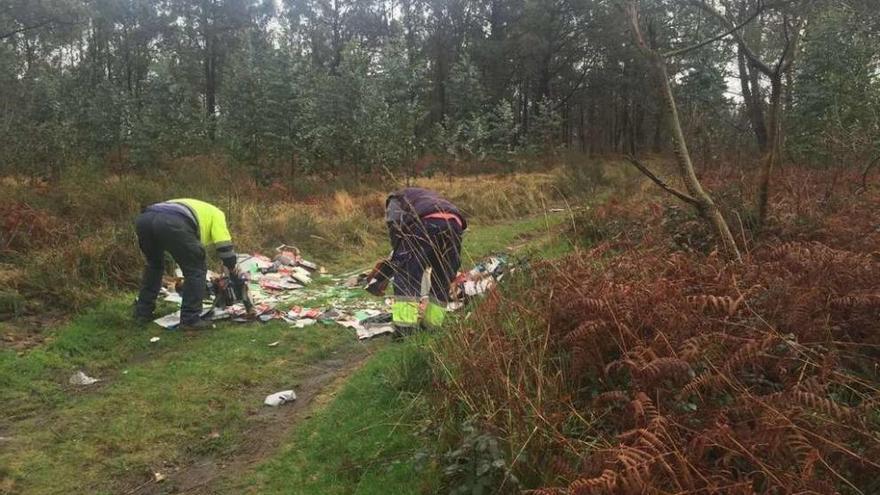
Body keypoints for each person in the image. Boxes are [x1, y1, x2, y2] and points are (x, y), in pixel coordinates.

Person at [368, 188, 467, 334]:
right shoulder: (429, 197)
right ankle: (432, 325)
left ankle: (405, 330)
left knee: (406, 276)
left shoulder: (394, 199)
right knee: (443, 278)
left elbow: (395, 230)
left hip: (424, 223)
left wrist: (398, 257)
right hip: (455, 223)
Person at [133, 198, 239, 329]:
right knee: (196, 269)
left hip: (145, 220)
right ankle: (190, 319)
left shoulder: (198, 206)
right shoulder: (218, 214)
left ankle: (142, 313)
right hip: (172, 222)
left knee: (154, 265)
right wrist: (232, 266)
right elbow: (224, 246)